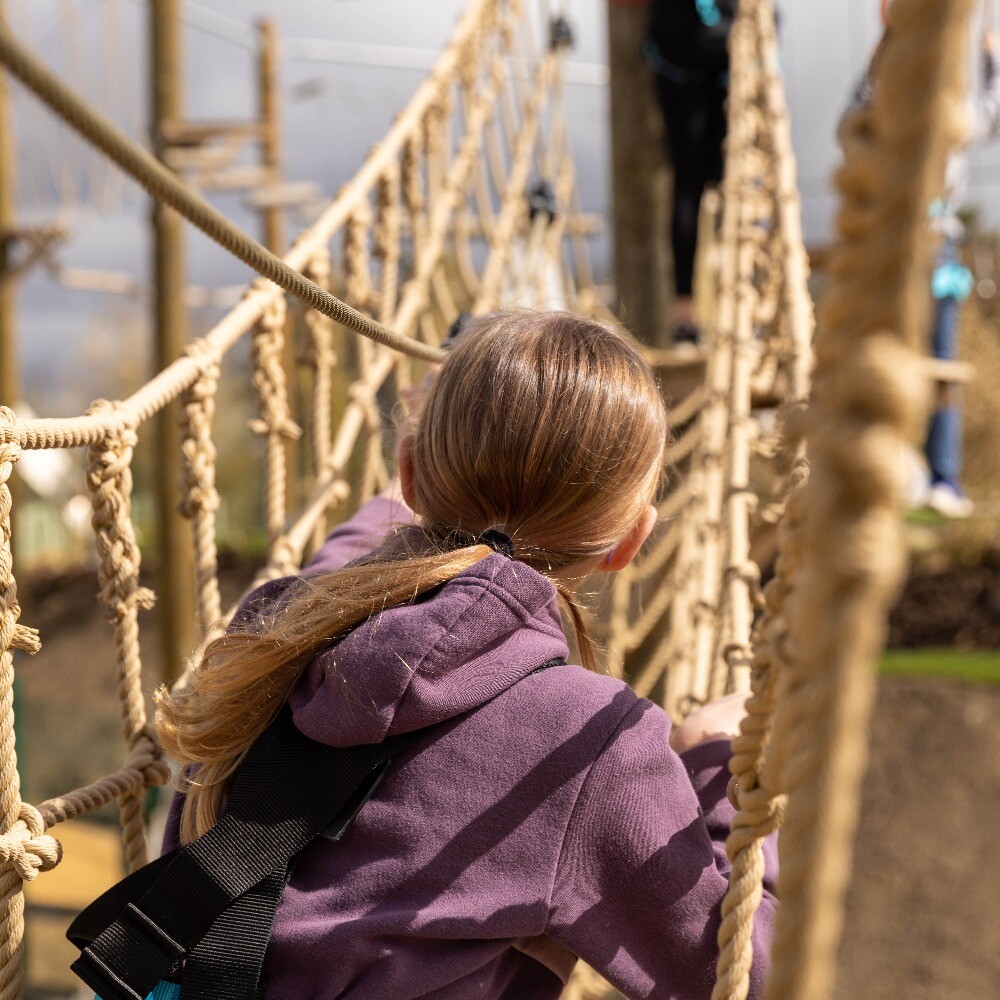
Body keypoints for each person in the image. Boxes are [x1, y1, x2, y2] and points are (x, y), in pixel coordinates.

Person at [154, 311, 777, 998]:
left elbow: (345, 566)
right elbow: (744, 977)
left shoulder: (275, 626)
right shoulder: (589, 741)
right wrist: (718, 767)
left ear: (409, 476)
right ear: (631, 540)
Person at [645, 0, 736, 345]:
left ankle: (694, 311)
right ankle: (689, 311)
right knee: (696, 187)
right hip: (690, 68)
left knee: (698, 187)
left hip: (701, 69)